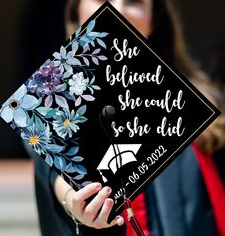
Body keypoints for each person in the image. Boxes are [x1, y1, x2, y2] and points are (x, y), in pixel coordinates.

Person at [31, 0, 225, 235]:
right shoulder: (53, 106)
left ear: (154, 19)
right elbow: (52, 169)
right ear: (76, 14)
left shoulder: (201, 101)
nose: (118, 10)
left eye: (134, 1)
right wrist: (74, 200)